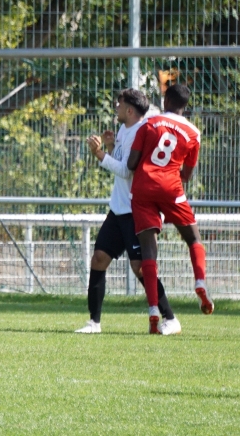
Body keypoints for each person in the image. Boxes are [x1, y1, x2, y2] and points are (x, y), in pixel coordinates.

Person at [75, 89, 181, 335]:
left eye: (119, 104)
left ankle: (171, 318)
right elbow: (121, 162)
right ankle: (94, 323)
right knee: (99, 259)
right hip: (118, 209)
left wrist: (100, 154)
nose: (116, 106)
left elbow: (127, 172)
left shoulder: (143, 132)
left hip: (136, 210)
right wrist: (112, 147)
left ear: (130, 110)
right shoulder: (124, 130)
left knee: (141, 268)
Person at [127, 83, 213, 335]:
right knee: (193, 238)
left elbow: (132, 163)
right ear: (185, 107)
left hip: (143, 188)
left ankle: (154, 309)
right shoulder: (194, 132)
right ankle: (199, 281)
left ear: (165, 101)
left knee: (148, 251)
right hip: (171, 187)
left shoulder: (149, 123)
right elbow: (187, 173)